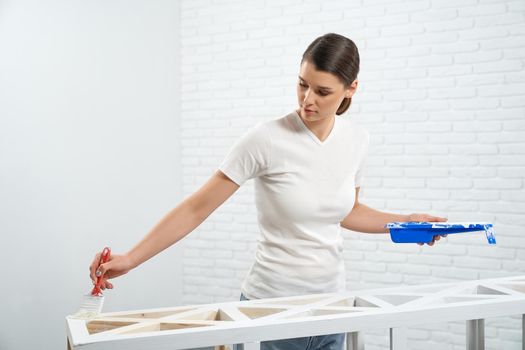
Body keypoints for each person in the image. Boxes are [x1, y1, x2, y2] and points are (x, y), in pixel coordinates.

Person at [89, 33, 447, 350]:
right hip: (270, 311)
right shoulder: (266, 139)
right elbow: (197, 207)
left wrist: (407, 222)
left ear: (350, 89)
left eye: (322, 92)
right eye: (302, 84)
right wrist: (131, 258)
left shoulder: (357, 139)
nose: (308, 99)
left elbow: (348, 211)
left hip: (332, 310)